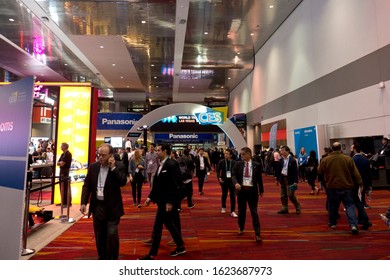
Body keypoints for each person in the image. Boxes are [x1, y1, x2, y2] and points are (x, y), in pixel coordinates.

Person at [80, 144, 127, 260]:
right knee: (100, 235)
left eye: (103, 155)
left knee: (111, 234)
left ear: (110, 155)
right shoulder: (93, 167)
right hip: (98, 207)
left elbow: (122, 182)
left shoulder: (119, 166)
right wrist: (83, 202)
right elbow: (87, 185)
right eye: (99, 155)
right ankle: (102, 257)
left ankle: (112, 259)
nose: (100, 157)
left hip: (112, 207)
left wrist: (113, 168)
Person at [138, 143, 186, 260]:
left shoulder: (172, 164)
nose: (156, 152)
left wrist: (170, 202)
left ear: (165, 151)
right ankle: (180, 246)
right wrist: (150, 197)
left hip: (167, 203)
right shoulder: (161, 164)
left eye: (159, 150)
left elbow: (176, 186)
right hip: (161, 201)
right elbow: (157, 184)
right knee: (169, 225)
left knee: (158, 227)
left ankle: (151, 254)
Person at [318, 142, 363, 235]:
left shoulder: (326, 159)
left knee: (332, 206)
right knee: (350, 206)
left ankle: (333, 223)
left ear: (332, 148)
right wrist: (360, 183)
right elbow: (355, 172)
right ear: (340, 148)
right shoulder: (348, 159)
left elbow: (319, 171)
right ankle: (353, 225)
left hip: (332, 186)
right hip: (346, 186)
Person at [232, 147, 264, 242]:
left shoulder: (257, 165)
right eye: (241, 154)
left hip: (252, 191)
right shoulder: (238, 164)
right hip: (241, 191)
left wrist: (261, 190)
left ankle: (257, 233)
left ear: (249, 154)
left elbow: (259, 179)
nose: (241, 156)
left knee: (254, 212)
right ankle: (241, 228)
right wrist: (236, 183)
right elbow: (233, 175)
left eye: (243, 154)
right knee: (242, 211)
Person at [351, 143, 372, 230]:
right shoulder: (366, 160)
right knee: (360, 201)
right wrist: (368, 186)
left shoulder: (352, 160)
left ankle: (365, 220)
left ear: (355, 149)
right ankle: (361, 219)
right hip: (364, 184)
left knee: (357, 202)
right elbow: (369, 174)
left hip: (355, 184)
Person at [275, 145, 301, 215]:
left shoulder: (292, 160)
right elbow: (278, 170)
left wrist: (296, 181)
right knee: (283, 195)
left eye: (283, 150)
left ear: (288, 151)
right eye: (281, 150)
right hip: (282, 178)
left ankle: (298, 206)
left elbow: (295, 172)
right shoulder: (281, 160)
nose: (281, 152)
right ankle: (284, 208)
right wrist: (277, 179)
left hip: (290, 179)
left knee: (291, 195)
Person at [216, 148, 237, 217]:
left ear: (230, 155)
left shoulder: (234, 162)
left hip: (232, 181)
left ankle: (233, 211)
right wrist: (219, 177)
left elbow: (236, 172)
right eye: (224, 153)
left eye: (227, 154)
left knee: (232, 196)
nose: (225, 155)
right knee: (224, 194)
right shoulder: (221, 161)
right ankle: (223, 207)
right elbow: (218, 170)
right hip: (224, 181)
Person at [57, 142, 72, 206]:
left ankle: (67, 202)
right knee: (62, 187)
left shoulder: (68, 154)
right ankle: (63, 201)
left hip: (65, 172)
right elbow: (58, 163)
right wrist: (60, 163)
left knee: (66, 187)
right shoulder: (62, 154)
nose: (60, 147)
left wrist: (61, 163)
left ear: (64, 147)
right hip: (62, 171)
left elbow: (62, 163)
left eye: (61, 146)